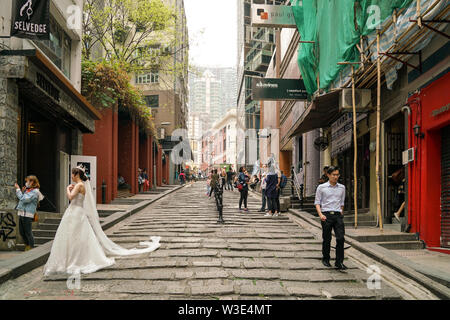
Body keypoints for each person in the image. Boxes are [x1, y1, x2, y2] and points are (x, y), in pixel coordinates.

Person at [43, 166, 161, 277]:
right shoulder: (81, 185)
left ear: (76, 174)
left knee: (73, 236)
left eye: (72, 174)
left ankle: (72, 260)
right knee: (78, 237)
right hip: (77, 212)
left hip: (75, 212)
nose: (71, 176)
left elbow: (70, 197)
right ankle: (75, 259)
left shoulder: (79, 185)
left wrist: (67, 189)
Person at [314, 166, 347, 270]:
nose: (336, 177)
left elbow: (342, 202)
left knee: (341, 238)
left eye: (337, 175)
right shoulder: (321, 187)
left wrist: (341, 212)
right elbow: (317, 202)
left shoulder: (342, 188)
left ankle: (339, 261)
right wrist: (321, 215)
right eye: (333, 175)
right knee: (327, 238)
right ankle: (326, 258)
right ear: (328, 175)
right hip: (326, 215)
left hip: (337, 215)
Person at [14, 176, 44, 251]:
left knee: (28, 232)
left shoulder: (35, 191)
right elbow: (23, 198)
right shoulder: (29, 191)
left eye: (28, 181)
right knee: (21, 232)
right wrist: (23, 192)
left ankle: (31, 247)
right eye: (26, 181)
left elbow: (24, 199)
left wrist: (18, 189)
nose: (26, 183)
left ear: (32, 182)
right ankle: (27, 245)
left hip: (28, 214)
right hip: (21, 213)